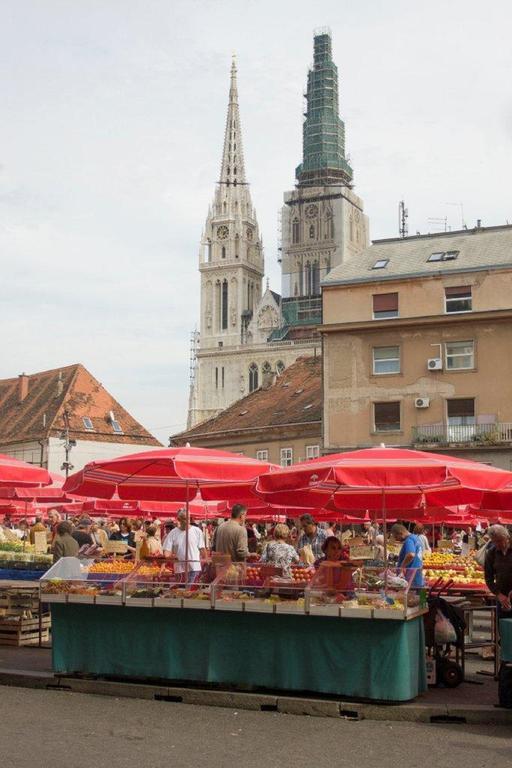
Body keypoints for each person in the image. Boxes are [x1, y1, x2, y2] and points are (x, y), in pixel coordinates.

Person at [162, 509, 206, 581]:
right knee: (180, 591)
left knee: (192, 591)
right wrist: (168, 556)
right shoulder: (173, 533)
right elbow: (167, 550)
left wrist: (206, 562)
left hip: (194, 568)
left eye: (188, 518)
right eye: (185, 519)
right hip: (179, 569)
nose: (187, 521)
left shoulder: (197, 531)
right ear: (179, 519)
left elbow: (202, 549)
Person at [484, 525, 512, 618]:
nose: (497, 544)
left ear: (507, 537)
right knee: (503, 626)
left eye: (500, 540)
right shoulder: (491, 553)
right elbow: (488, 577)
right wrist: (499, 594)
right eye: (494, 541)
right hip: (502, 597)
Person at [391, 523, 424, 588]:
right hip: (417, 576)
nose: (396, 539)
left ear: (400, 533)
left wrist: (402, 566)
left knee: (411, 597)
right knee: (420, 596)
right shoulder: (415, 538)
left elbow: (411, 554)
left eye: (396, 537)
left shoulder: (409, 540)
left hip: (411, 578)